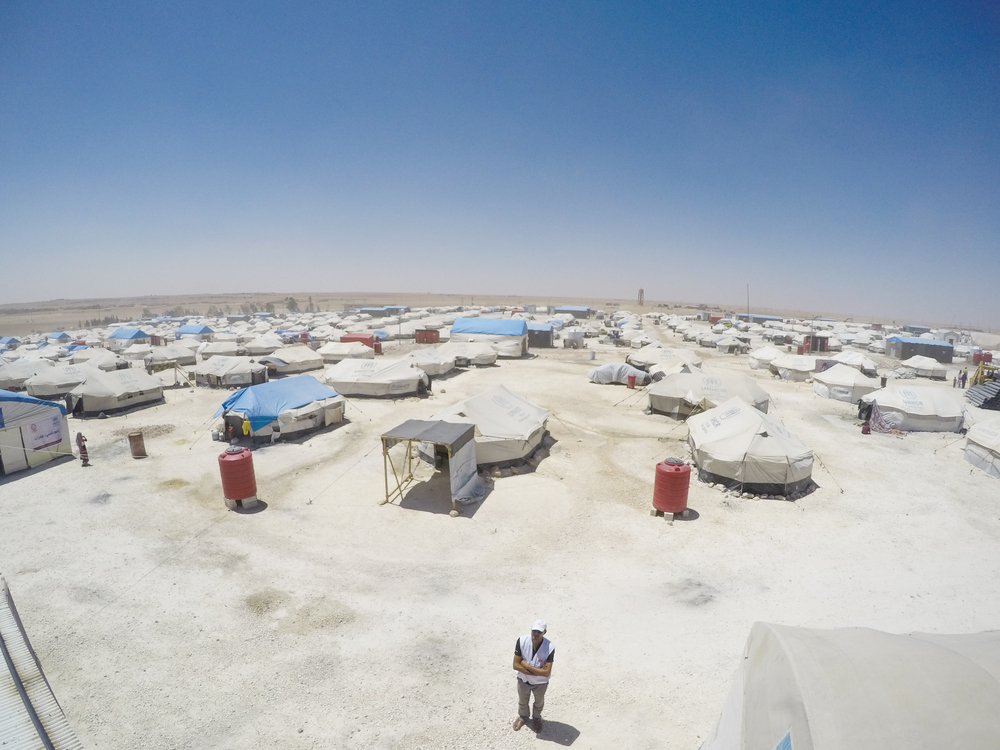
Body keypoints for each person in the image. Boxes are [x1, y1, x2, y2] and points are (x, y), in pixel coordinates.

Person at [512, 619, 554, 732]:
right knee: (523, 700)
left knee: (539, 702)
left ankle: (536, 718)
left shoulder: (550, 647)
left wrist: (526, 665)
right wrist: (538, 671)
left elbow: (546, 672)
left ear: (544, 632)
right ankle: (523, 717)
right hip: (523, 679)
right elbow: (515, 665)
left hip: (540, 683)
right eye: (534, 631)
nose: (535, 634)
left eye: (539, 632)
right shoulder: (522, 641)